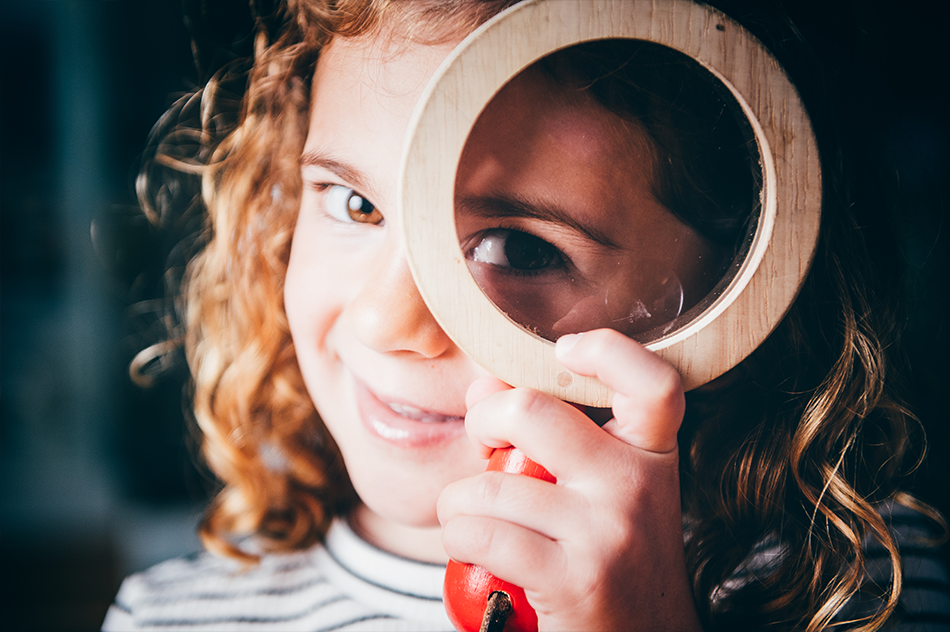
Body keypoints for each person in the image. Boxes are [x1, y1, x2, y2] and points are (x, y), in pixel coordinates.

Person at [103, 0, 949, 630]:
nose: (385, 322)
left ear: (725, 296)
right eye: (357, 205)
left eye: (520, 248)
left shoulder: (856, 582)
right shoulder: (173, 616)